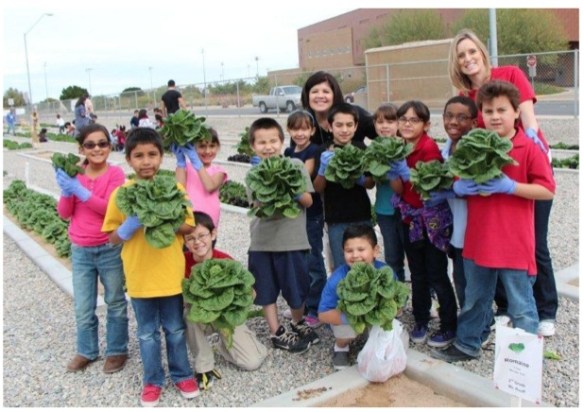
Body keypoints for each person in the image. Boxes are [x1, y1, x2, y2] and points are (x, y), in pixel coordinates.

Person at [431, 80, 556, 363]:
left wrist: (511, 187)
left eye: (502, 109)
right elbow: (456, 181)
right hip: (479, 241)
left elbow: (547, 189)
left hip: (515, 243)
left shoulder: (528, 147)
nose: (495, 116)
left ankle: (526, 363)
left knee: (521, 304)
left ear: (516, 112)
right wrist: (455, 188)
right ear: (481, 115)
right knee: (475, 299)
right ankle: (467, 344)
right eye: (488, 111)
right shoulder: (471, 146)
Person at [449, 29, 557, 336]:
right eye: (461, 55)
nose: (468, 59)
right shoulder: (466, 96)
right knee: (495, 242)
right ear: (456, 63)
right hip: (493, 177)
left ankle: (545, 309)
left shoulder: (509, 73)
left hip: (524, 162)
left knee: (533, 244)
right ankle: (506, 307)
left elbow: (528, 116)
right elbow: (464, 134)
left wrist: (535, 141)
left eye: (472, 52)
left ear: (482, 52)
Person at [102, 127, 199, 407]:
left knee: (175, 328)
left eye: (153, 155)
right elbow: (111, 238)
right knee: (146, 332)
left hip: (170, 275)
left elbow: (189, 225)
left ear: (162, 157)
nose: (147, 161)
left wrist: (163, 217)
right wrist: (130, 224)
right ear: (129, 159)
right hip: (139, 277)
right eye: (139, 156)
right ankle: (153, 380)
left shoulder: (175, 189)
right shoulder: (122, 194)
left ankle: (181, 374)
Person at [54, 123, 128, 374]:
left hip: (109, 247)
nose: (97, 149)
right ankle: (86, 350)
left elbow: (111, 209)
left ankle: (117, 350)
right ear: (81, 148)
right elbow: (64, 214)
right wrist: (67, 191)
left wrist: (80, 191)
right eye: (90, 145)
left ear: (110, 146)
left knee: (115, 301)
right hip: (81, 249)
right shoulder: (75, 173)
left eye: (102, 143)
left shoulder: (115, 174)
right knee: (83, 305)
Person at [246, 117, 319, 353]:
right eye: (261, 142)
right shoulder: (254, 173)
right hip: (262, 242)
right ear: (253, 146)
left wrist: (290, 188)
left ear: (281, 141)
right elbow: (256, 206)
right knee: (265, 288)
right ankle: (276, 331)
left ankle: (297, 321)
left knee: (296, 286)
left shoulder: (296, 166)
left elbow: (308, 201)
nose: (268, 147)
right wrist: (269, 184)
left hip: (292, 241)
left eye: (273, 141)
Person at [389, 100, 457, 349]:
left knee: (437, 274)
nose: (407, 123)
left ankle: (449, 324)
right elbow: (399, 189)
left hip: (432, 221)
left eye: (414, 120)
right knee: (416, 273)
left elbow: (428, 191)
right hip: (409, 219)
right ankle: (420, 320)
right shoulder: (399, 149)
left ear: (426, 125)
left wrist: (409, 175)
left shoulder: (428, 150)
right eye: (403, 119)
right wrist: (395, 174)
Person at [183, 212, 267, 390]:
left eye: (202, 235)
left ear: (213, 234)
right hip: (201, 317)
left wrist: (233, 303)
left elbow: (250, 293)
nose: (197, 242)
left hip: (226, 318)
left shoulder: (226, 261)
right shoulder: (181, 263)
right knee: (190, 314)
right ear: (184, 241)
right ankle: (204, 367)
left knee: (252, 362)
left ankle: (225, 346)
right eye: (190, 238)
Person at [318, 224, 394, 370]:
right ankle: (341, 347)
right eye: (349, 251)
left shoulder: (385, 272)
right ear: (343, 252)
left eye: (361, 249)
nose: (355, 255)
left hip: (376, 318)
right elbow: (322, 314)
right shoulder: (337, 279)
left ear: (375, 250)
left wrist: (384, 312)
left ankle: (372, 341)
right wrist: (353, 316)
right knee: (346, 331)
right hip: (350, 319)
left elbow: (399, 304)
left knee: (389, 337)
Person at [427, 96, 478, 310]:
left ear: (474, 123)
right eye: (448, 116)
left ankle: (475, 327)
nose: (453, 122)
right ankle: (472, 321)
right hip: (456, 227)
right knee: (460, 276)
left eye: (461, 117)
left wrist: (453, 192)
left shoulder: (475, 149)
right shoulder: (446, 149)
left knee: (470, 280)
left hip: (473, 228)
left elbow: (477, 188)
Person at [313, 103, 375, 271]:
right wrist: (322, 170)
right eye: (339, 125)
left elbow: (370, 183)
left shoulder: (362, 148)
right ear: (330, 126)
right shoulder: (322, 150)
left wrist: (359, 178)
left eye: (349, 125)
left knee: (366, 263)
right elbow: (318, 188)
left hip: (361, 215)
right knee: (342, 265)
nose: (344, 129)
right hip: (335, 219)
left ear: (356, 127)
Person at [283, 110, 327, 328]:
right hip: (293, 215)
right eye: (295, 128)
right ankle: (301, 305)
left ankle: (316, 307)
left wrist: (280, 175)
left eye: (304, 128)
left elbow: (304, 173)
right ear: (289, 130)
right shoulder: (288, 151)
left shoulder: (314, 150)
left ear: (312, 130)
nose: (299, 133)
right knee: (298, 261)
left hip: (311, 214)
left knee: (313, 261)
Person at [371, 103, 406, 282]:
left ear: (399, 124)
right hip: (385, 209)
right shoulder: (373, 148)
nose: (384, 126)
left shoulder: (406, 145)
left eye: (390, 121)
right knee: (392, 257)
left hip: (409, 210)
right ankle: (398, 296)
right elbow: (371, 180)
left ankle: (426, 297)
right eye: (380, 121)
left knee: (415, 255)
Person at [300, 71, 376, 147]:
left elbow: (382, 133)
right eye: (314, 92)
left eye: (326, 92)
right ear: (307, 96)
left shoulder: (355, 113)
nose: (320, 96)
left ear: (334, 94)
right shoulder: (302, 121)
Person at [173, 128, 227, 228]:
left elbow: (210, 186)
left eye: (212, 146)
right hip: (188, 219)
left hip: (209, 220)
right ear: (194, 147)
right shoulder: (187, 167)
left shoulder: (219, 171)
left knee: (205, 243)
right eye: (202, 146)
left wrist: (197, 163)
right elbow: (179, 188)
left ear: (218, 147)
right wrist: (180, 162)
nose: (207, 151)